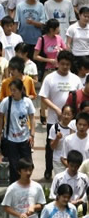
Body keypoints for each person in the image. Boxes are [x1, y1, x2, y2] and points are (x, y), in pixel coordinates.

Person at [40, 50, 83, 179]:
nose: (65, 67)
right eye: (63, 64)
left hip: (71, 121)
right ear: (57, 63)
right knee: (51, 145)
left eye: (67, 64)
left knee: (69, 144)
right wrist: (57, 110)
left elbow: (79, 96)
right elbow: (43, 97)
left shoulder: (75, 79)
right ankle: (49, 169)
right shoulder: (50, 78)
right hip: (54, 120)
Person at [0, 79, 35, 182]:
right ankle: (15, 184)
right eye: (11, 90)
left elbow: (32, 118)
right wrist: (0, 132)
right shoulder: (7, 101)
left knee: (28, 163)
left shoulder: (27, 101)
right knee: (14, 166)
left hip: (24, 139)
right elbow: (1, 116)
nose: (12, 93)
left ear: (20, 90)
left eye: (15, 90)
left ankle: (25, 181)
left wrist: (32, 135)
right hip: (11, 140)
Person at [49, 106, 75, 175]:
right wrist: (57, 138)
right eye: (64, 114)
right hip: (58, 161)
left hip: (72, 161)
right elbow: (52, 147)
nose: (66, 116)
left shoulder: (76, 128)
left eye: (68, 114)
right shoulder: (55, 127)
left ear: (72, 116)